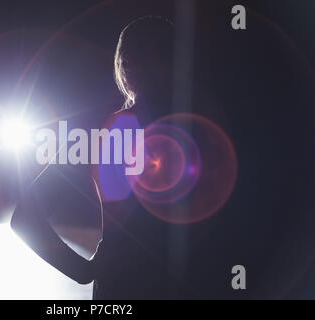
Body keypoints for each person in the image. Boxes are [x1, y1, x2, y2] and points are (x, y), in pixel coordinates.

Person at [11, 16, 197, 299]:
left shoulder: (98, 133)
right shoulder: (199, 131)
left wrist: (83, 271)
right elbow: (25, 217)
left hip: (124, 286)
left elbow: (26, 216)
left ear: (123, 68)